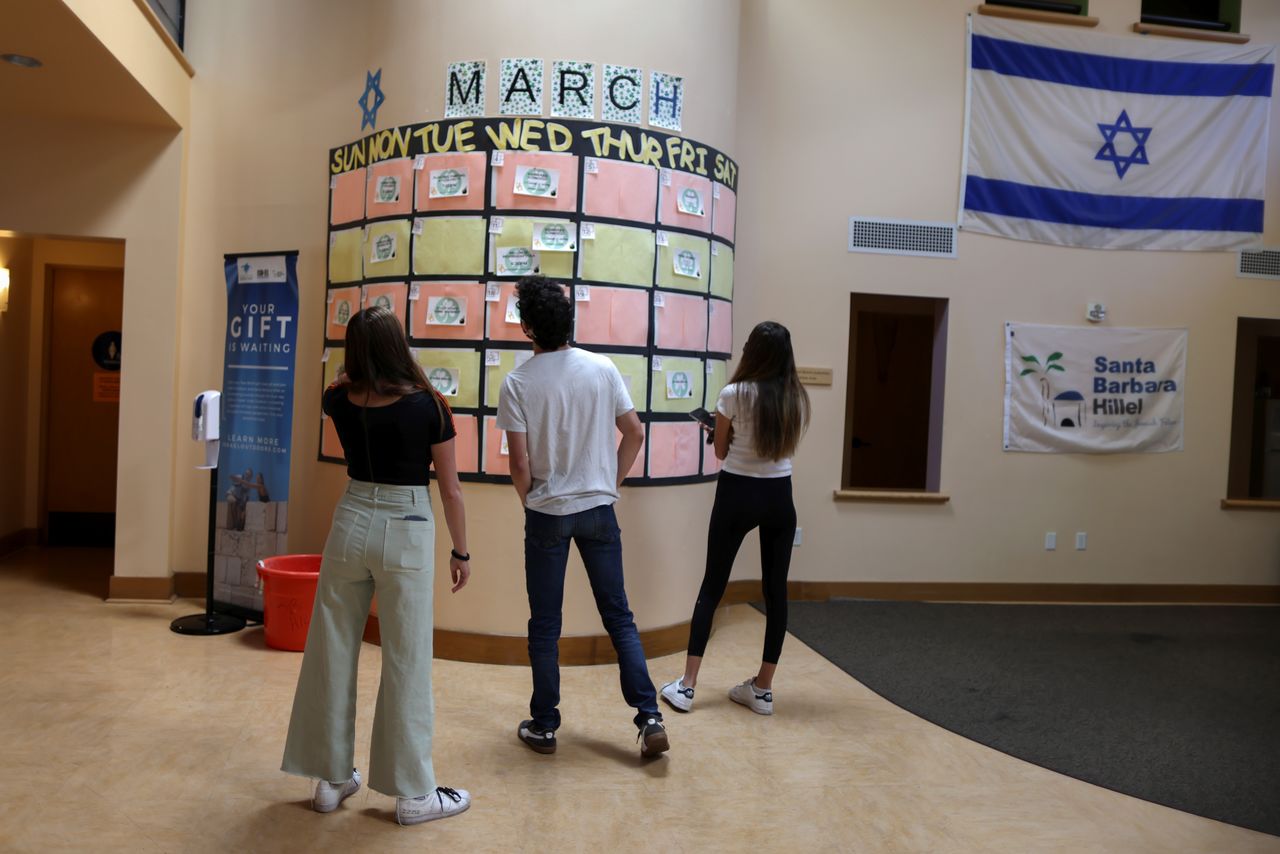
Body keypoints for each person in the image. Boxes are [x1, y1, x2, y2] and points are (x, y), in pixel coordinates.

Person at [281, 306, 472, 826]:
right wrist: (461, 550)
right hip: (406, 524)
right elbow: (451, 490)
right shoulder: (430, 406)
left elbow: (343, 381)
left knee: (331, 649)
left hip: (350, 520)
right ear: (398, 345)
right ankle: (413, 794)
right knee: (407, 658)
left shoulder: (339, 399)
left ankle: (330, 779)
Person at [497, 275, 669, 758]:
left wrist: (531, 499)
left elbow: (519, 464)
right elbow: (634, 433)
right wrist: (610, 482)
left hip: (548, 512)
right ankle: (649, 716)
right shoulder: (602, 368)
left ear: (528, 328)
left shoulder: (518, 383)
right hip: (598, 509)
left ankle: (545, 724)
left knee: (546, 624)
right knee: (619, 616)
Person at [660, 321, 810, 716]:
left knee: (712, 585)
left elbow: (722, 453)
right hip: (780, 497)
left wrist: (714, 431)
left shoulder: (733, 394)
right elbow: (779, 446)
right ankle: (762, 689)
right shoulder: (795, 397)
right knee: (776, 593)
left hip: (737, 494)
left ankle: (687, 687)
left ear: (753, 353)